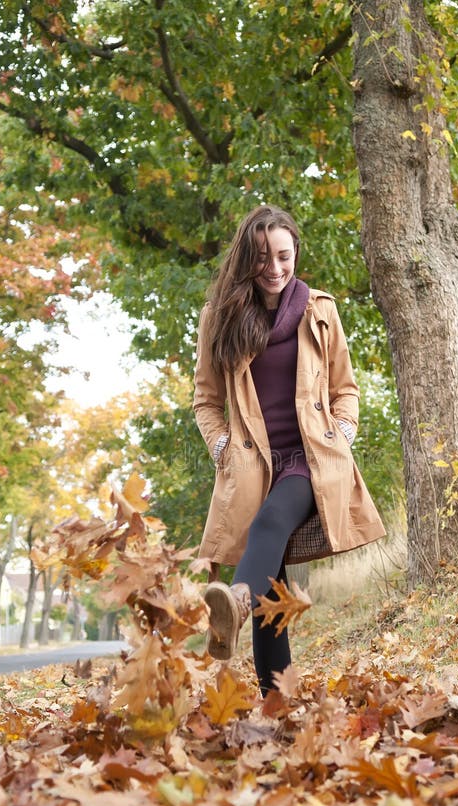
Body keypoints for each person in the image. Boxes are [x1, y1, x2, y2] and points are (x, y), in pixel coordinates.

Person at [193, 205, 385, 695]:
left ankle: (233, 601)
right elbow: (206, 401)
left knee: (269, 524)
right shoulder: (219, 318)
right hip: (253, 462)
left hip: (309, 459)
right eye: (263, 258)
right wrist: (221, 447)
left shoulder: (320, 310)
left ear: (296, 251)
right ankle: (276, 701)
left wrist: (341, 434)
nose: (275, 268)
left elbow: (346, 389)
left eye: (284, 255)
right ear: (246, 260)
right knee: (271, 593)